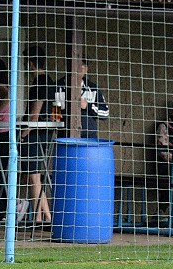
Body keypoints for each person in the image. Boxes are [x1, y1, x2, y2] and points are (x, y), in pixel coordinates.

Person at [23, 46, 54, 224]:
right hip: (47, 134)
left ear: (32, 64)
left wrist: (23, 133)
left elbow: (35, 115)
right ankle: (47, 216)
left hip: (36, 134)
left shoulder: (39, 84)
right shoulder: (50, 82)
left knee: (34, 175)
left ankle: (37, 217)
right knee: (37, 176)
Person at [56, 55, 109, 139]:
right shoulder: (58, 86)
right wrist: (56, 116)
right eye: (78, 65)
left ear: (86, 70)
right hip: (65, 137)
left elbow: (105, 113)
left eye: (84, 66)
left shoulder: (93, 89)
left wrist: (87, 106)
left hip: (89, 139)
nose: (81, 69)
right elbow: (55, 114)